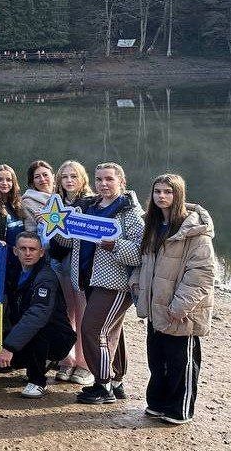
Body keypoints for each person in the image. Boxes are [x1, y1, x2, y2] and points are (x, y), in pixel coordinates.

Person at [133, 174, 215, 425]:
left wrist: (180, 306)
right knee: (157, 360)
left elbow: (202, 273)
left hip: (181, 311)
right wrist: (136, 285)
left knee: (181, 363)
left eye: (168, 192)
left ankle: (180, 409)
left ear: (178, 194)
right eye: (157, 191)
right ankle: (157, 403)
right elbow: (144, 262)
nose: (162, 196)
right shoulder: (152, 226)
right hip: (156, 308)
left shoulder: (194, 231)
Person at [60, 162, 144, 405]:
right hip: (89, 279)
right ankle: (116, 382)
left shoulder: (129, 213)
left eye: (109, 179)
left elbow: (141, 251)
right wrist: (55, 228)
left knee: (93, 329)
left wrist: (114, 246)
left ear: (121, 182)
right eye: (99, 180)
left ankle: (103, 385)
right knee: (111, 330)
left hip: (115, 283)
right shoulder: (88, 207)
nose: (103, 184)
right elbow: (71, 243)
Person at [0, 232, 76, 399]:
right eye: (23, 249)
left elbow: (37, 315)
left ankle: (38, 381)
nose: (27, 253)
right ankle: (30, 362)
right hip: (24, 331)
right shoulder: (13, 272)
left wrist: (9, 347)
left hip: (56, 336)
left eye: (32, 249)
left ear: (41, 252)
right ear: (15, 251)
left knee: (37, 330)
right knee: (8, 360)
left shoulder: (46, 277)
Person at [49, 160, 93, 385]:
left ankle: (85, 365)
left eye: (73, 176)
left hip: (82, 267)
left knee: (84, 314)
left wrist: (60, 231)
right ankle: (67, 360)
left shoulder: (90, 204)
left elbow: (82, 238)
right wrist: (48, 225)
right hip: (59, 265)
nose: (69, 181)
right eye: (64, 176)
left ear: (82, 179)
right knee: (65, 314)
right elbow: (56, 241)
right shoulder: (54, 203)